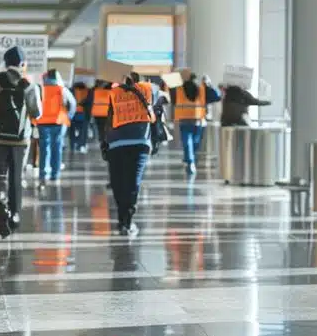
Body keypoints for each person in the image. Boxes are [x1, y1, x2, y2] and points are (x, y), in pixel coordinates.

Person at [0, 47, 42, 239]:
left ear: (6, 63)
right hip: (20, 139)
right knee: (16, 176)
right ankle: (15, 215)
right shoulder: (29, 84)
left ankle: (1, 207)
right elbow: (37, 113)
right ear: (22, 64)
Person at [103, 72, 160, 237]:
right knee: (132, 184)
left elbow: (109, 119)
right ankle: (126, 221)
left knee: (119, 184)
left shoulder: (114, 93)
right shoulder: (150, 89)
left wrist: (105, 142)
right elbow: (159, 109)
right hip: (139, 143)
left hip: (116, 143)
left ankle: (123, 220)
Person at [172, 71, 221, 176]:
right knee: (195, 142)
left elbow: (172, 100)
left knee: (187, 141)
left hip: (184, 119)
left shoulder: (179, 88)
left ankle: (189, 160)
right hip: (198, 120)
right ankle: (190, 160)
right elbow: (217, 96)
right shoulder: (202, 88)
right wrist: (208, 84)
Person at [34, 68, 77, 185]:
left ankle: (43, 174)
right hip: (58, 122)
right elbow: (72, 103)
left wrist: (34, 120)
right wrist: (68, 116)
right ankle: (55, 174)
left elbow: (34, 104)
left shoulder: (41, 89)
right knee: (57, 148)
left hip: (42, 123)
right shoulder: (61, 89)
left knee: (44, 149)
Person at [70, 81, 92, 153]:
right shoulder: (87, 91)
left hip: (73, 113)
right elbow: (89, 103)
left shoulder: (72, 90)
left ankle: (73, 145)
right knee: (83, 131)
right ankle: (81, 145)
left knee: (72, 130)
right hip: (83, 113)